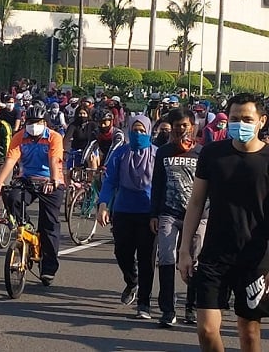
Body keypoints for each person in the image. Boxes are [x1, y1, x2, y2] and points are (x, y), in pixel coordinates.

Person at [179, 93, 269, 351]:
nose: (240, 123)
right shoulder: (212, 154)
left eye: (247, 119)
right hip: (214, 255)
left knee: (249, 331)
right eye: (234, 118)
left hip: (255, 258)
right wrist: (185, 250)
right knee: (206, 330)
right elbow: (196, 203)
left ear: (261, 121)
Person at [0, 103, 65, 286]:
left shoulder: (54, 137)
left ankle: (48, 268)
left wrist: (53, 179)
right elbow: (11, 160)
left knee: (49, 224)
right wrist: (0, 181)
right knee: (12, 197)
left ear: (45, 122)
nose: (34, 125)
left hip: (51, 180)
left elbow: (53, 159)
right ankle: (24, 225)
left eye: (38, 122)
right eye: (31, 122)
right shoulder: (20, 137)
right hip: (27, 179)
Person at [97, 115, 157, 320]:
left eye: (142, 131)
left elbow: (163, 186)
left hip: (148, 213)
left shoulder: (157, 155)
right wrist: (103, 205)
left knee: (146, 258)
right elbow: (109, 181)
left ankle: (144, 303)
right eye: (135, 130)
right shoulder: (120, 154)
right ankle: (132, 281)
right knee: (122, 252)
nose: (138, 134)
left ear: (149, 131)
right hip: (123, 210)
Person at [150, 108, 206, 327]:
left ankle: (190, 308)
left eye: (185, 125)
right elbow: (157, 185)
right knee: (166, 257)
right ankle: (167, 309)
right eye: (176, 126)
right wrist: (153, 214)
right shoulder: (163, 153)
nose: (181, 130)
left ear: (192, 126)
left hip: (199, 216)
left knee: (195, 261)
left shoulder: (202, 153)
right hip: (169, 213)